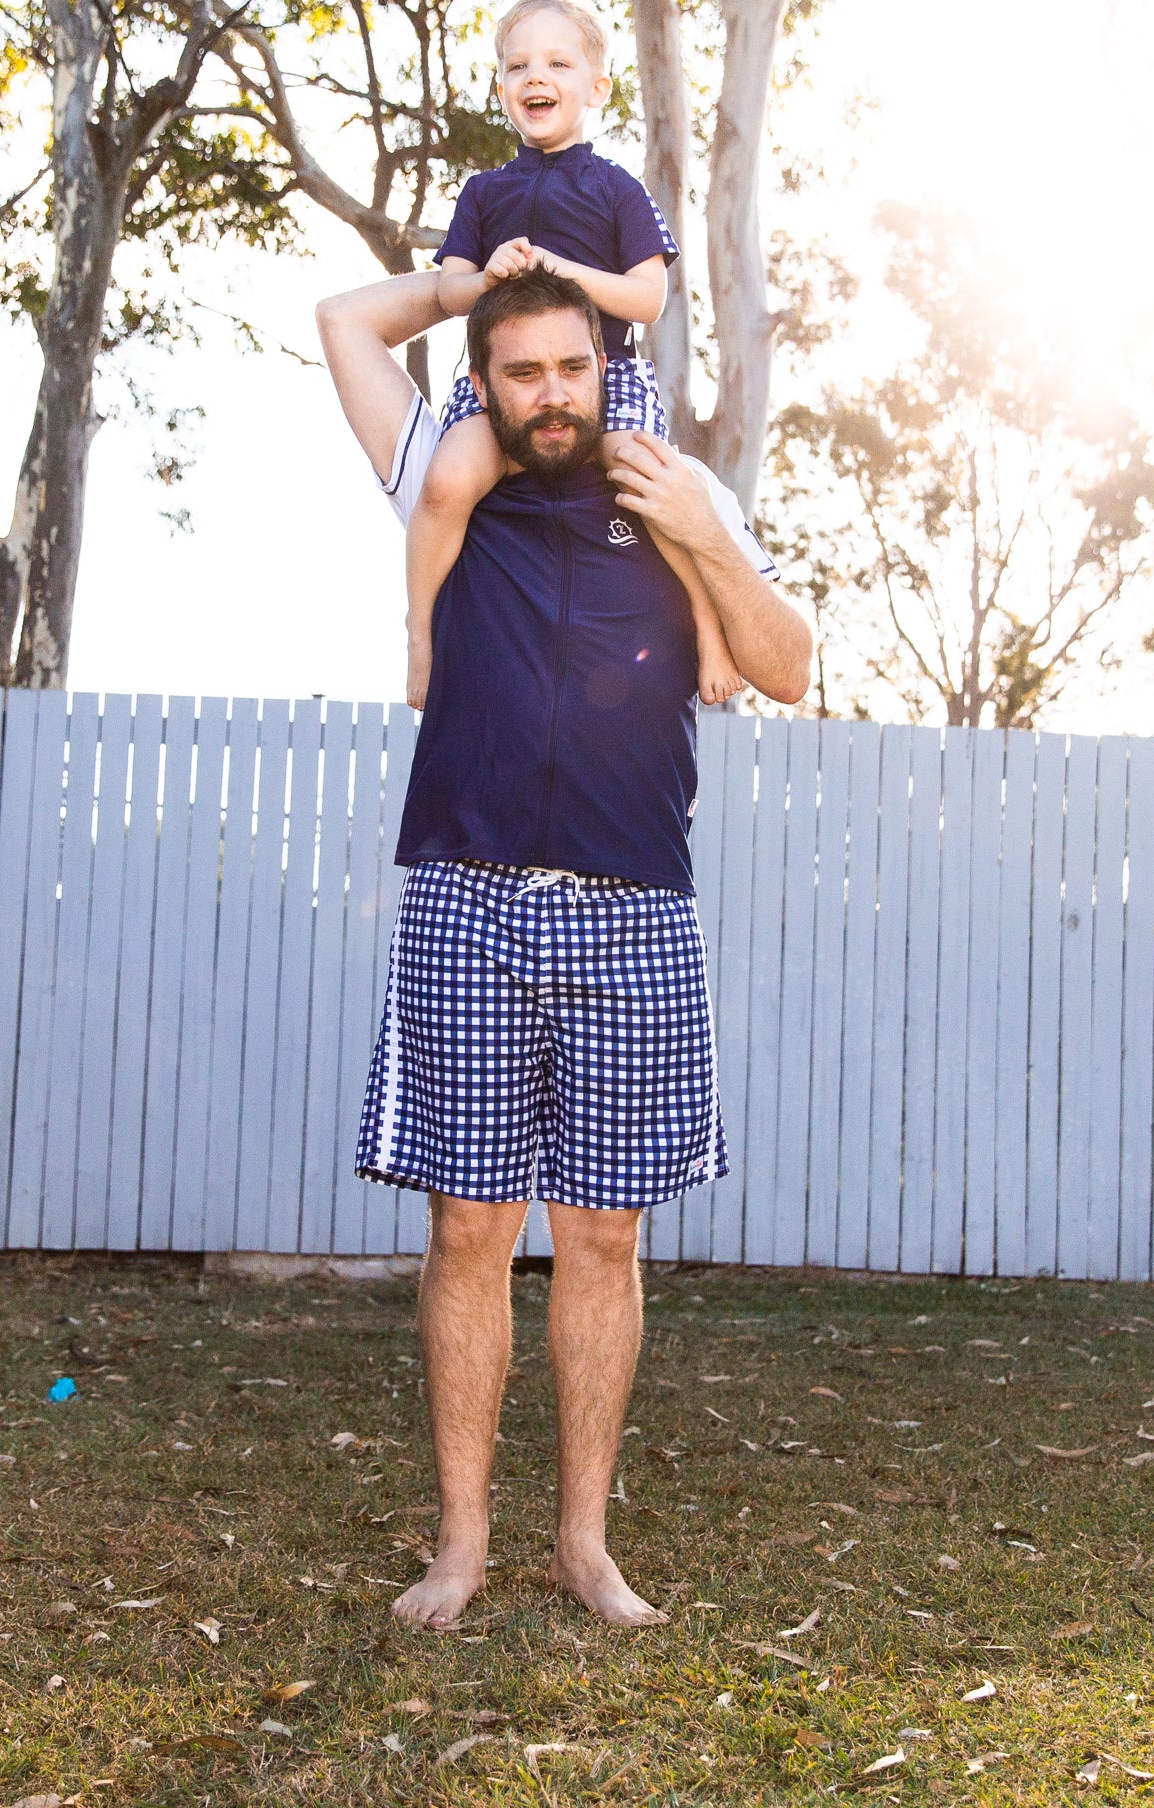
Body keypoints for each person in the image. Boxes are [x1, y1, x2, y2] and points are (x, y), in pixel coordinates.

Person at [313, 263, 812, 1629]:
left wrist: (700, 535)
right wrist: (478, 273)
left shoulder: (676, 485)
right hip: (465, 900)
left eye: (572, 368)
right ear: (486, 382)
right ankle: (463, 1548)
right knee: (469, 1228)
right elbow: (344, 324)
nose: (550, 395)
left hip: (634, 909)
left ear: (609, 372)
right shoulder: (446, 472)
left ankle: (585, 1547)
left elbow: (788, 664)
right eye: (521, 370)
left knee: (603, 1237)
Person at [405, 0, 745, 714]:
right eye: (518, 65)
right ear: (502, 89)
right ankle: (420, 634)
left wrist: (565, 271)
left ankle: (708, 626)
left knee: (650, 487)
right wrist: (487, 271)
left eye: (558, 62)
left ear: (596, 88)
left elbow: (646, 299)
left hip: (606, 376)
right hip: (508, 387)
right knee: (443, 484)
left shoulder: (617, 189)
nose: (537, 76)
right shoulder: (484, 191)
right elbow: (447, 288)